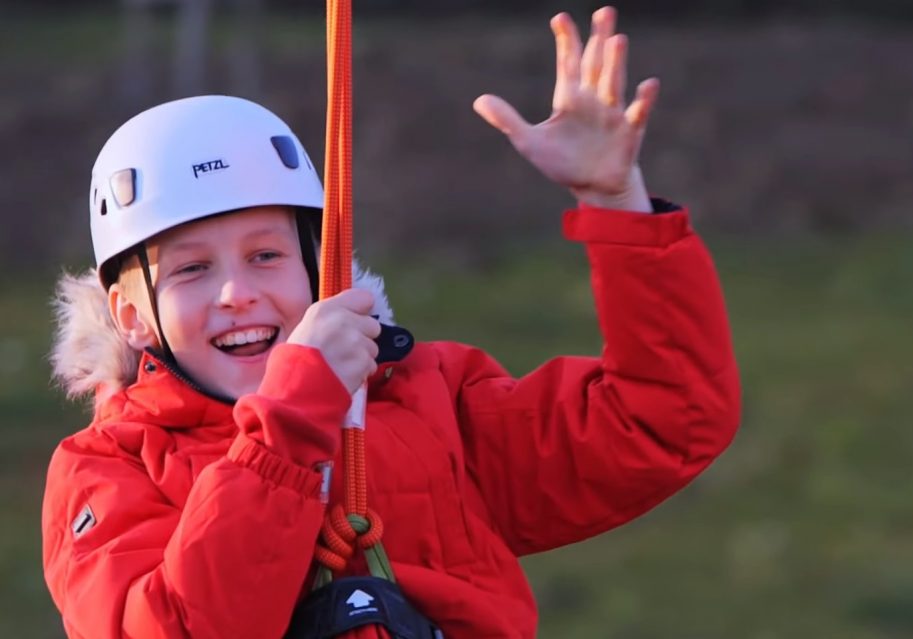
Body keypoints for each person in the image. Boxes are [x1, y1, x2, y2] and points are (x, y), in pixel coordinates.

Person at [42, 7, 741, 638]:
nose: (237, 293)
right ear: (131, 317)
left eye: (266, 256)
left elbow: (664, 420)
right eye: (192, 269)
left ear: (318, 270)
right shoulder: (106, 470)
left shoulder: (430, 397)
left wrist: (617, 203)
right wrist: (290, 421)